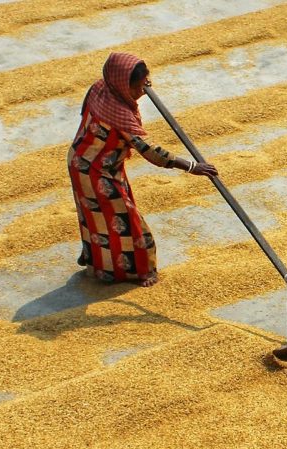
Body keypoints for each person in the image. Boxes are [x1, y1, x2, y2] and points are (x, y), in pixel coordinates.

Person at [68, 52, 217, 287]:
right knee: (126, 220)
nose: (142, 92)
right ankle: (142, 270)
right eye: (137, 87)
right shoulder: (120, 116)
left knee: (95, 217)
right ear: (121, 84)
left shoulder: (99, 88)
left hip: (82, 160)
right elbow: (150, 152)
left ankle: (96, 260)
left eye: (145, 84)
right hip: (97, 172)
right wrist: (191, 166)